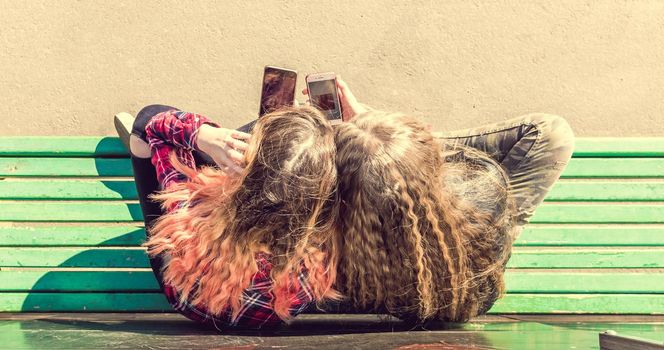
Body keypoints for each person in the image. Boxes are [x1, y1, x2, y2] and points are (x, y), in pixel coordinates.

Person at [324, 79, 575, 322]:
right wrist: (402, 145)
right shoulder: (482, 210)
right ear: (433, 162)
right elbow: (549, 133)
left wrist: (373, 142)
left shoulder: (333, 265)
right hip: (464, 294)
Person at [114, 105, 342, 329]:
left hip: (188, 292)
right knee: (298, 148)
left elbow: (151, 124)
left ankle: (206, 154)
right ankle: (236, 155)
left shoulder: (189, 212)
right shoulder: (325, 237)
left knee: (145, 139)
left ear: (249, 174)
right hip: (272, 315)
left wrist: (208, 136)